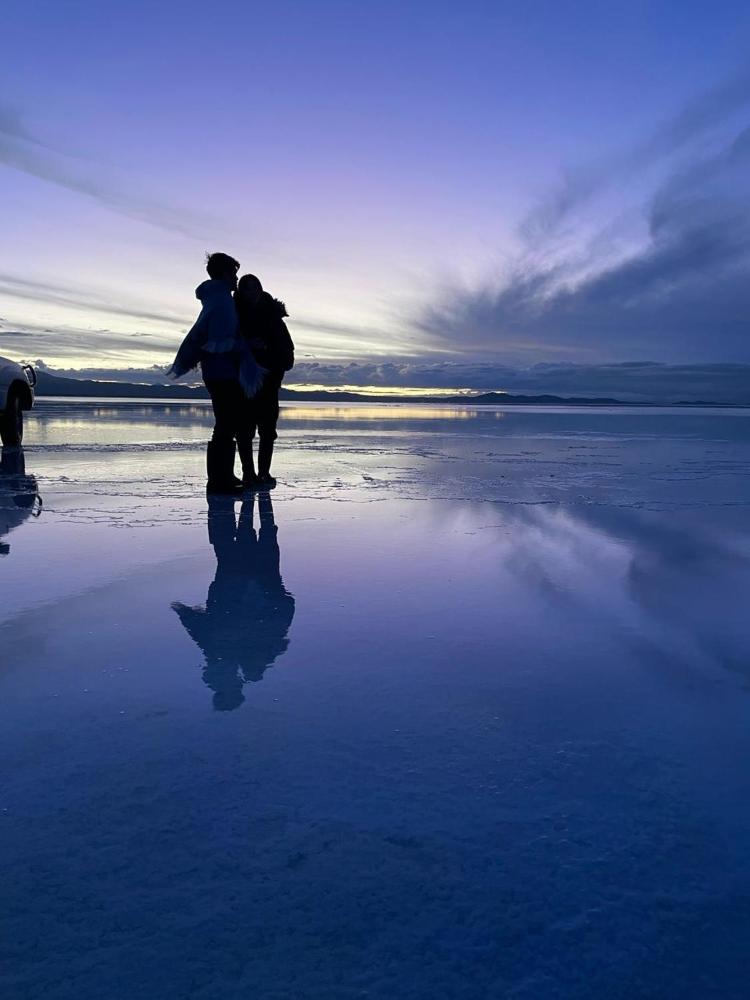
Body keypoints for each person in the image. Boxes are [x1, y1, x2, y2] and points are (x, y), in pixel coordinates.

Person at [172, 492, 295, 711]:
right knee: (257, 531)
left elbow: (286, 611)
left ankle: (252, 494)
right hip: (257, 581)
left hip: (242, 581)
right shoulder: (255, 656)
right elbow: (286, 611)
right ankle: (254, 493)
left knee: (254, 531)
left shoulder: (230, 656)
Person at [169, 253, 264, 495]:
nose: (236, 278)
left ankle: (223, 477)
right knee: (226, 424)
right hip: (222, 373)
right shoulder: (221, 301)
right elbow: (218, 343)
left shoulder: (216, 297)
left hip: (218, 372)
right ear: (224, 273)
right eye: (233, 273)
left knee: (226, 423)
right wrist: (247, 345)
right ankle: (219, 480)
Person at [234, 274, 294, 488]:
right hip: (242, 385)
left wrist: (268, 355)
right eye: (246, 289)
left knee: (267, 431)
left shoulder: (274, 319)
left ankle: (264, 473)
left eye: (254, 288)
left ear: (260, 290)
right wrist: (246, 347)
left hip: (269, 385)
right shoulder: (233, 316)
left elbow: (288, 355)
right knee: (244, 431)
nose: (250, 293)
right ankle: (248, 474)